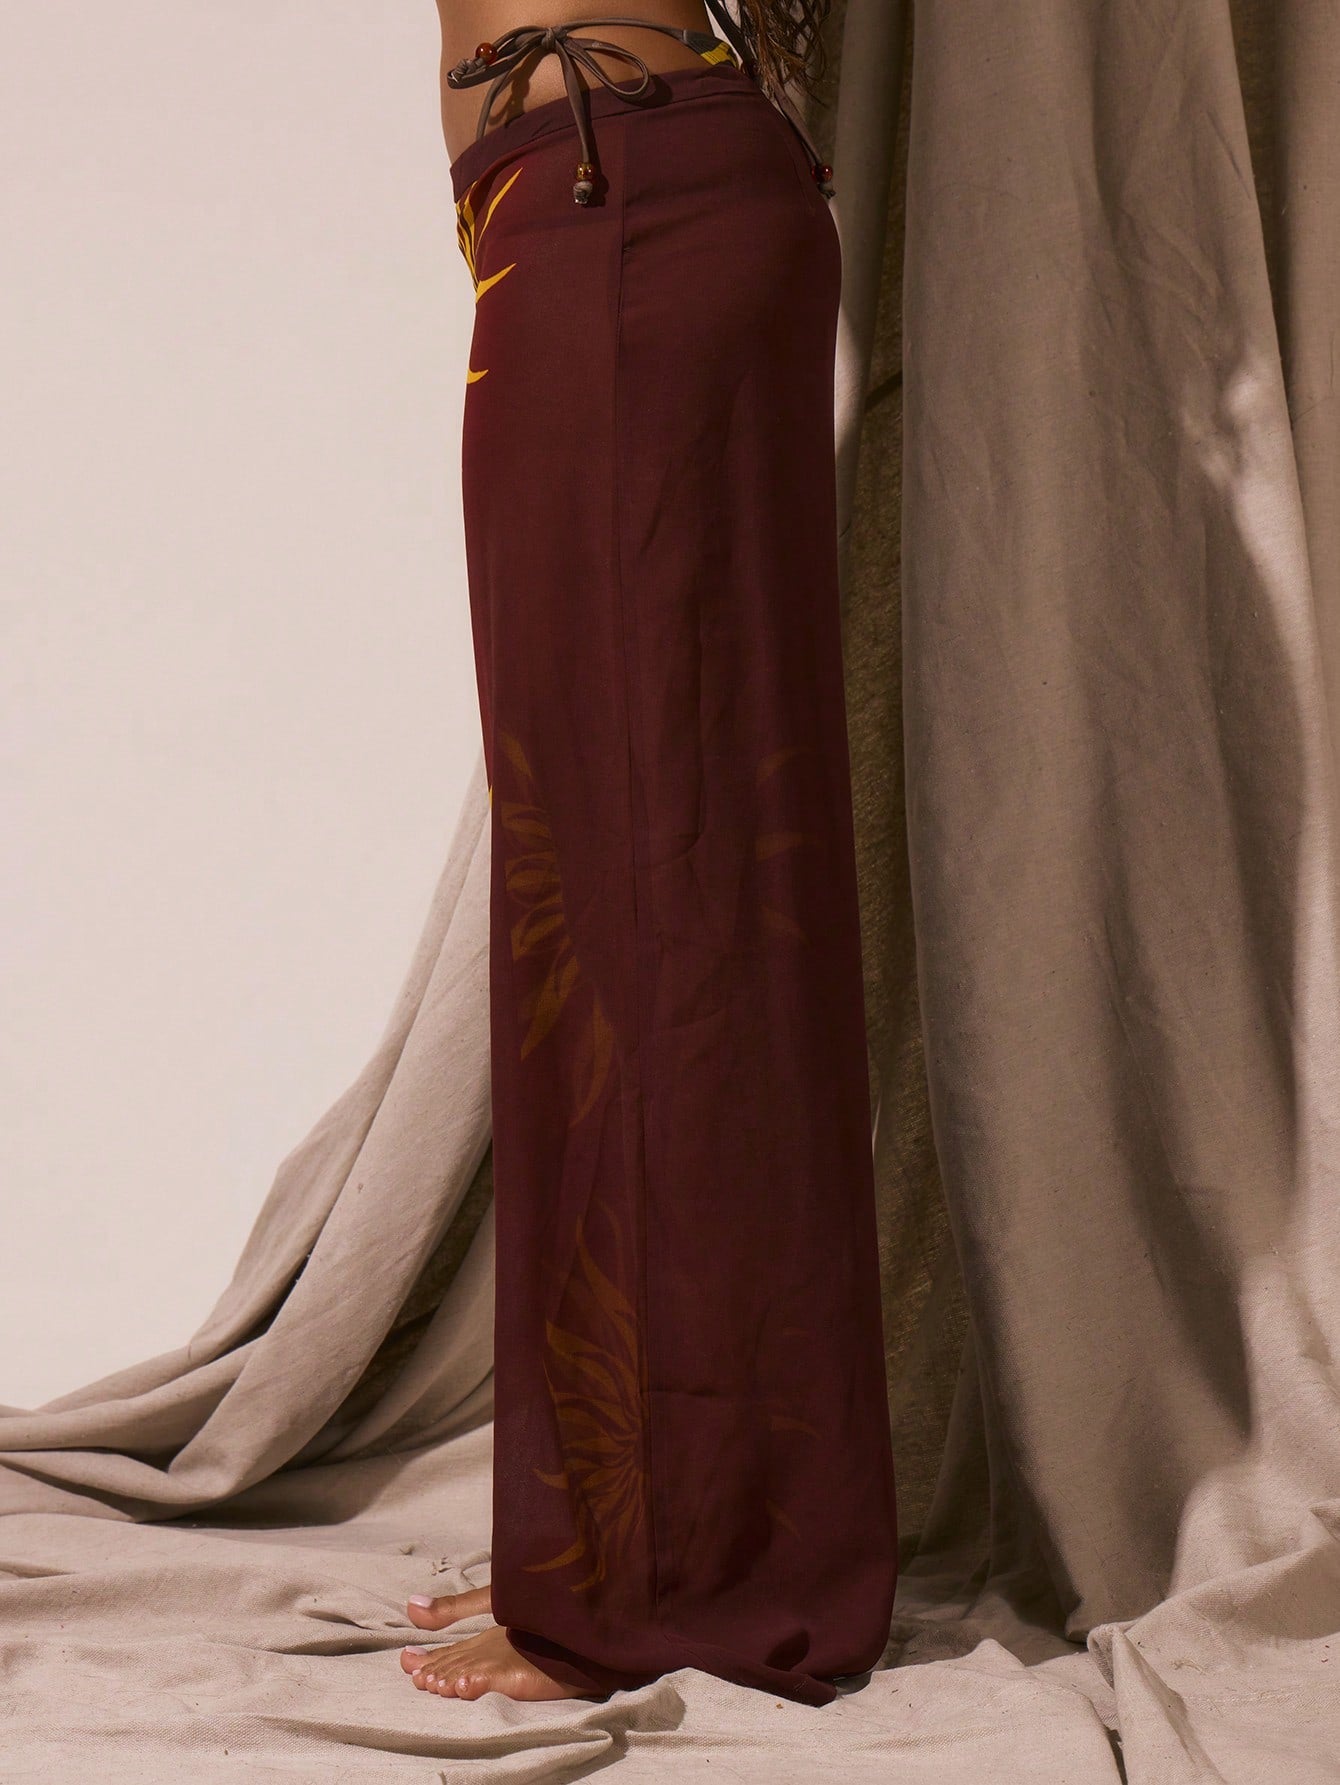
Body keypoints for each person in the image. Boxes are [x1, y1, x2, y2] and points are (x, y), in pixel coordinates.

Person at [399, 0, 898, 1705]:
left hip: (621, 217)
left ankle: (668, 1579)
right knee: (676, 901)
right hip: (618, 207)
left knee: (644, 921)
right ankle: (657, 1535)